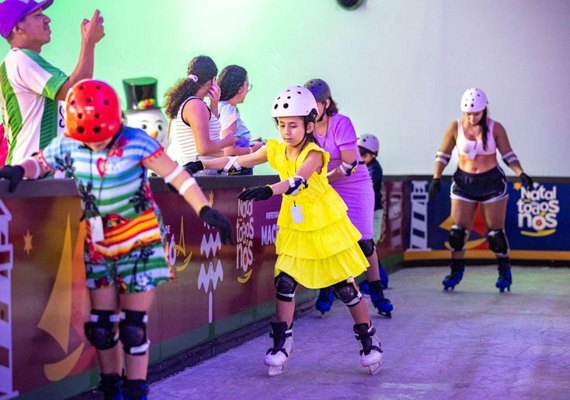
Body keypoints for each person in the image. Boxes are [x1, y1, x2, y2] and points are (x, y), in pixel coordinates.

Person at [0, 79, 232, 400]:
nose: (96, 146)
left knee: (132, 326)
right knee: (101, 326)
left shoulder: (136, 141)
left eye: (102, 138)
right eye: (88, 141)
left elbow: (175, 175)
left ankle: (136, 391)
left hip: (139, 242)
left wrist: (204, 209)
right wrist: (17, 170)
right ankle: (111, 388)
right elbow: (40, 162)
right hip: (98, 245)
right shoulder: (69, 143)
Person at [184, 85, 383, 376]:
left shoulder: (315, 153)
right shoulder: (276, 149)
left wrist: (268, 189)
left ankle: (368, 340)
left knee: (344, 286)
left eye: (293, 125)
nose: (286, 131)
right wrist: (198, 163)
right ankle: (280, 345)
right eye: (281, 125)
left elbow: (297, 181)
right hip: (296, 225)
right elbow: (237, 161)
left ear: (309, 125)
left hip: (324, 224)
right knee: (285, 283)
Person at [428, 88, 533, 293]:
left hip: (491, 182)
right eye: (468, 113)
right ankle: (455, 271)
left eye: (476, 113)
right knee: (457, 232)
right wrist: (436, 177)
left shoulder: (495, 128)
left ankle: (504, 272)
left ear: (484, 110)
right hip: (464, 183)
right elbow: (443, 154)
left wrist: (521, 172)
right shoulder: (455, 127)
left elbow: (508, 154)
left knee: (495, 233)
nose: (472, 117)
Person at [304, 79, 393, 318]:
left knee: (364, 242)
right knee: (329, 240)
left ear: (326, 103)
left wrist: (324, 179)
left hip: (355, 185)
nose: (308, 110)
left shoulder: (341, 123)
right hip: (329, 185)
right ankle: (326, 291)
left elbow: (350, 164)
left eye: (313, 105)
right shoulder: (307, 127)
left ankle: (377, 294)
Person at [0, 0, 105, 165]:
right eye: (38, 15)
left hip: (34, 175)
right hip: (32, 178)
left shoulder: (18, 61)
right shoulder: (20, 59)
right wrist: (88, 42)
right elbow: (75, 91)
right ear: (18, 28)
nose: (47, 19)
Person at [164, 55, 238, 173]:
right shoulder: (196, 105)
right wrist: (228, 141)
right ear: (213, 79)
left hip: (200, 170)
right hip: (201, 172)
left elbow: (209, 133)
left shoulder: (191, 104)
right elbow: (203, 148)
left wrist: (214, 104)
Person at [217, 65, 264, 175]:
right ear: (240, 89)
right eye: (247, 85)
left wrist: (249, 143)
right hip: (236, 172)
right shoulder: (229, 111)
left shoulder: (220, 107)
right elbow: (228, 150)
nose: (248, 90)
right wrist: (253, 149)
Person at [358, 133, 389, 289]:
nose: (360, 157)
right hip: (363, 213)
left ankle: (379, 281)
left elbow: (363, 187)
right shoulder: (360, 167)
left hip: (373, 213)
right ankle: (378, 280)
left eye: (363, 154)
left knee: (370, 248)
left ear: (373, 154)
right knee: (365, 248)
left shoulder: (374, 169)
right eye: (358, 152)